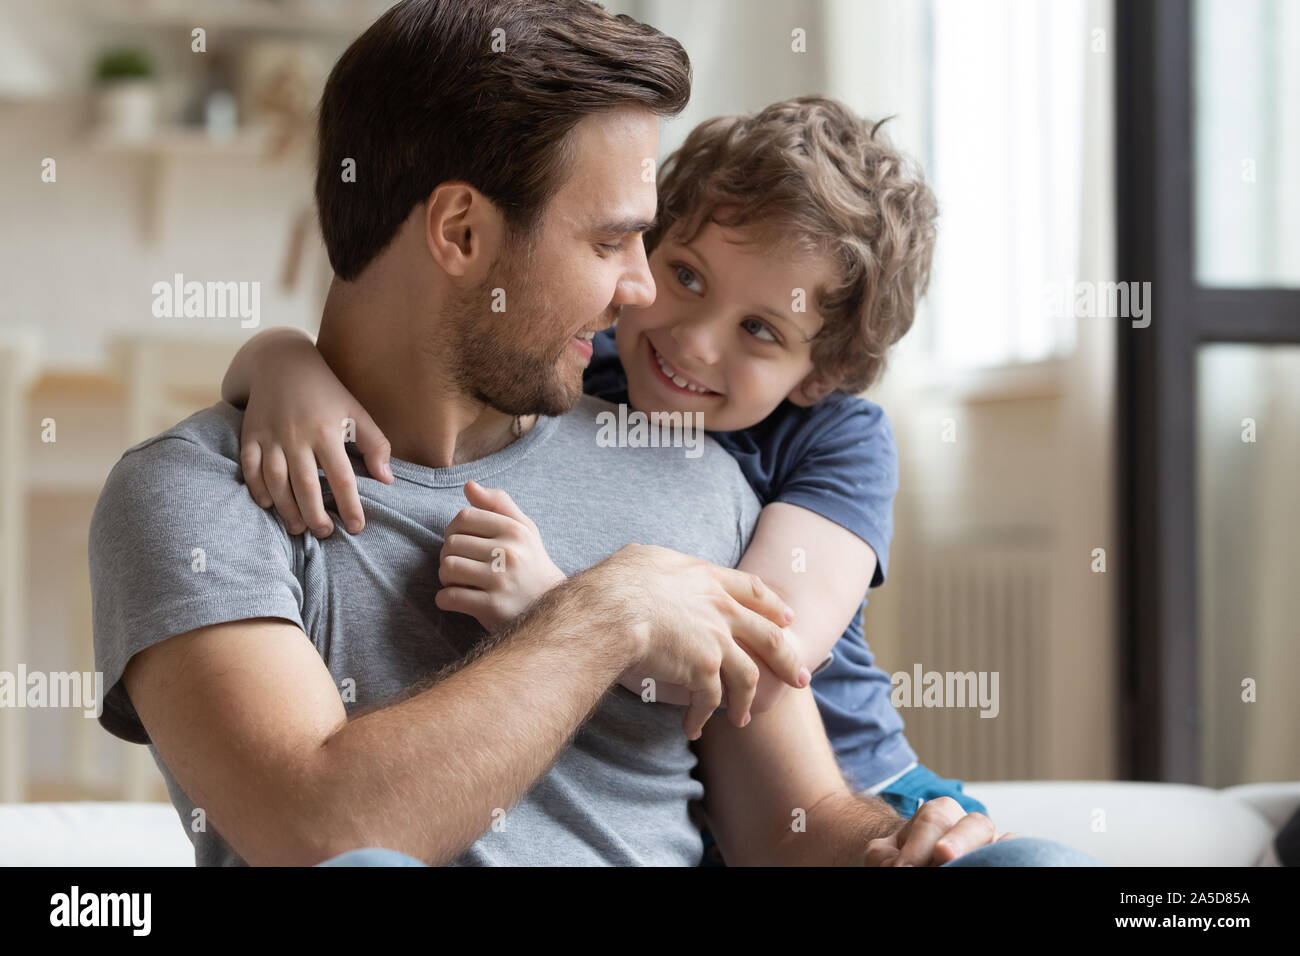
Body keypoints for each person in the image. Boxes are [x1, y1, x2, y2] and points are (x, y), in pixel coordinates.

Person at [89, 0, 1097, 867]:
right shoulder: (196, 495)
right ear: (461, 233)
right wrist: (607, 610)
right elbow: (315, 827)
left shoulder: (695, 472)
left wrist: (905, 842)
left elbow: (795, 827)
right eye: (613, 239)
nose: (643, 289)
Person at [221, 95, 986, 834]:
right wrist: (282, 357)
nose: (694, 341)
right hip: (693, 807)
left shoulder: (838, 439)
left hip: (858, 801)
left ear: (821, 375)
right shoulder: (594, 367)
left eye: (759, 328)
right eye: (687, 276)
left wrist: (552, 606)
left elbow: (756, 653)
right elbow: (396, 362)